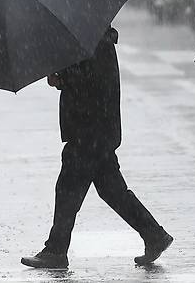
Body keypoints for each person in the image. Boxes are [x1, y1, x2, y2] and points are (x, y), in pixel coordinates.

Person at [21, 26, 173, 270]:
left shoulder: (94, 42)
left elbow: (89, 81)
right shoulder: (93, 39)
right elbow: (88, 78)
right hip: (95, 131)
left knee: (68, 189)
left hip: (89, 131)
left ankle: (56, 251)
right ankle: (154, 235)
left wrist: (62, 78)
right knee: (112, 191)